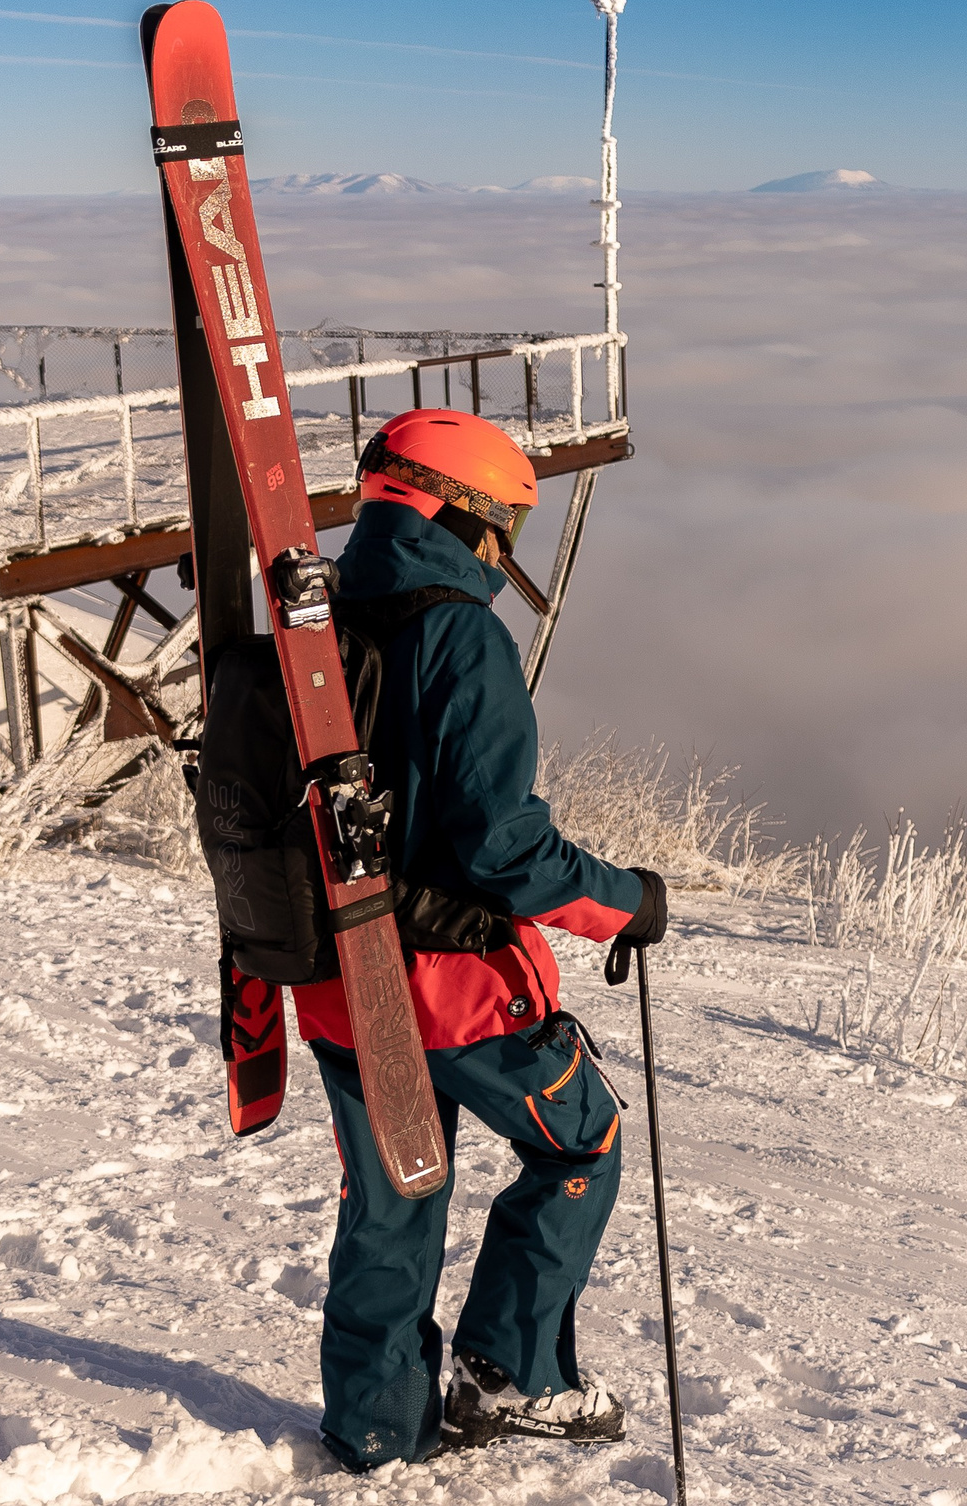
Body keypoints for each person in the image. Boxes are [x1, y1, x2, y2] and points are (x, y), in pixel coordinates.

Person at [292, 407, 667, 1471]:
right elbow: (506, 850)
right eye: (504, 523)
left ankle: (376, 1429)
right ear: (467, 515)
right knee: (577, 1140)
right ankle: (512, 1376)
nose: (507, 547)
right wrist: (624, 900)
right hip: (452, 984)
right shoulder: (459, 633)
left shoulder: (312, 620)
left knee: (393, 1202)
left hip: (332, 979)